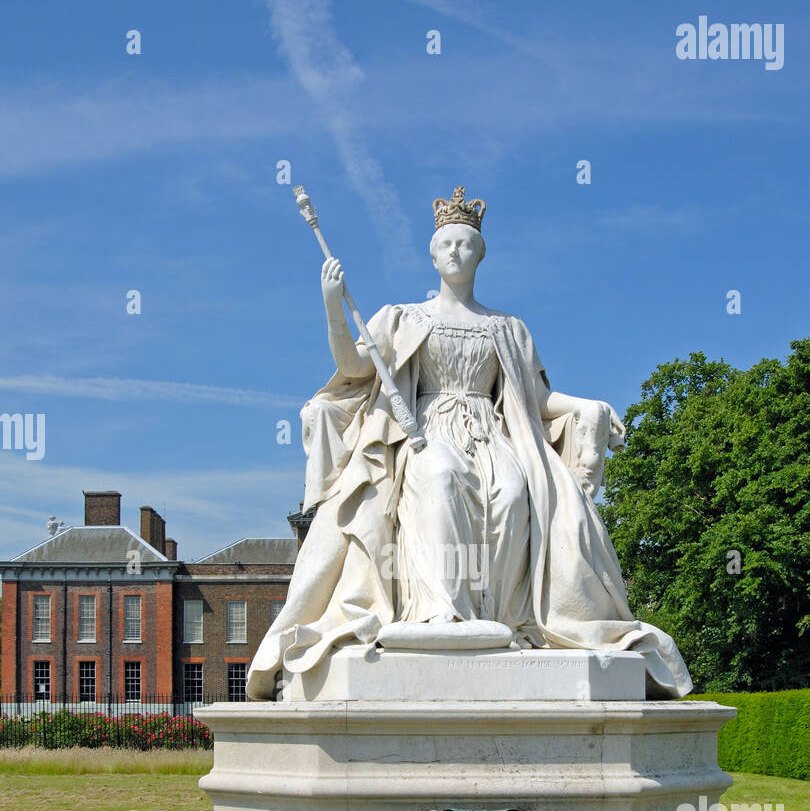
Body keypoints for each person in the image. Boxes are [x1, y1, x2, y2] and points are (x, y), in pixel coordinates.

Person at [247, 187, 691, 699]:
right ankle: (444, 611)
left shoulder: (507, 328)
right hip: (423, 430)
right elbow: (354, 370)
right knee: (441, 475)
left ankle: (499, 620)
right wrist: (332, 306)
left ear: (480, 253)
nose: (455, 252)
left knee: (512, 490)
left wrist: (587, 408)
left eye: (465, 243)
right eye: (446, 244)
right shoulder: (402, 318)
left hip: (493, 433)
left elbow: (537, 399)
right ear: (432, 254)